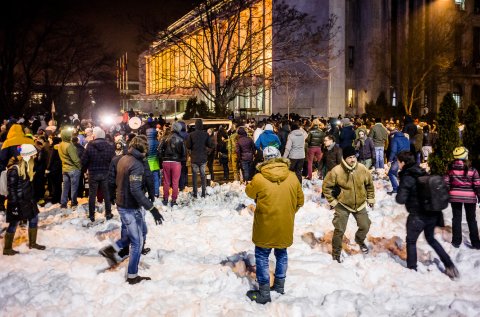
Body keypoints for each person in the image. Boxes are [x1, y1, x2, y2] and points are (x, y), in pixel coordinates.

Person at [99, 136, 164, 285]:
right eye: (146, 148)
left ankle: (111, 250)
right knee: (137, 242)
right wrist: (152, 208)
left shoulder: (123, 159)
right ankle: (132, 276)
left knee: (139, 233)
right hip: (129, 207)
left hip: (126, 204)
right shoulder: (136, 164)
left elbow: (115, 181)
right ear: (142, 149)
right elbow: (135, 190)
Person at [245, 146, 304, 304]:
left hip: (265, 224)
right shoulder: (292, 177)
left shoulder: (259, 178)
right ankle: (279, 286)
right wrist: (288, 212)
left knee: (262, 255)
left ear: (264, 159)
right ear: (279, 157)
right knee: (282, 253)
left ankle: (264, 293)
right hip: (285, 223)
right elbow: (300, 201)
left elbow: (249, 193)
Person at [395, 151, 459, 279]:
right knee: (431, 239)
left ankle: (412, 269)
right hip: (432, 214)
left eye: (398, 162)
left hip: (417, 216)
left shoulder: (407, 176)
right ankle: (450, 265)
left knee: (411, 241)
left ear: (403, 162)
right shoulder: (421, 171)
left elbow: (400, 199)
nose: (398, 164)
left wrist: (401, 188)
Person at [322, 145, 375, 263]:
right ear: (344, 158)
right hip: (343, 205)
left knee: (365, 225)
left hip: (360, 204)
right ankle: (336, 254)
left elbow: (369, 185)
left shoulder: (362, 169)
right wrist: (333, 202)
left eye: (354, 157)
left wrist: (370, 198)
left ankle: (359, 239)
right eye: (350, 157)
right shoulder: (336, 171)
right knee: (339, 230)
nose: (353, 159)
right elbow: (326, 187)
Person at [3, 144, 46, 255]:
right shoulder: (14, 169)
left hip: (28, 200)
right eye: (33, 155)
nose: (35, 157)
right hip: (17, 201)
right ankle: (7, 249)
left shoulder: (28, 167)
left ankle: (33, 243)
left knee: (34, 219)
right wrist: (14, 205)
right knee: (14, 224)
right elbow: (11, 189)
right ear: (27, 156)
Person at [444, 147, 480, 249]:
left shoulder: (450, 170)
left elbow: (445, 183)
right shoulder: (472, 170)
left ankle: (456, 241)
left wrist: (447, 193)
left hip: (455, 197)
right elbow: (478, 185)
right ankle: (475, 242)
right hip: (470, 197)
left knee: (456, 219)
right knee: (472, 219)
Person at [81, 127, 115, 221]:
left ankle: (92, 215)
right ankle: (108, 213)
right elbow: (113, 160)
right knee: (106, 194)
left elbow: (84, 160)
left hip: (93, 173)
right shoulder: (109, 146)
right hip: (105, 172)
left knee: (92, 194)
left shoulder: (89, 145)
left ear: (95, 136)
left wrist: (84, 170)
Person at [158, 122, 186, 206]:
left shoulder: (164, 138)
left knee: (166, 181)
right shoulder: (181, 139)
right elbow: (184, 153)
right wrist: (181, 161)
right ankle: (173, 200)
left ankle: (165, 199)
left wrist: (163, 158)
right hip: (176, 162)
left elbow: (159, 150)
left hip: (166, 162)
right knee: (175, 182)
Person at [186, 119, 213, 198]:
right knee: (203, 175)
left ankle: (195, 193)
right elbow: (210, 145)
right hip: (203, 158)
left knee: (194, 176)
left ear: (195, 125)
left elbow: (188, 146)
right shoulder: (205, 135)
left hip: (194, 158)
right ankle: (203, 193)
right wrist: (207, 152)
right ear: (202, 125)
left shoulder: (191, 135)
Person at [58, 128, 82, 209]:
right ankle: (73, 202)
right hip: (73, 169)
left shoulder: (60, 144)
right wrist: (80, 167)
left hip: (65, 169)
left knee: (65, 187)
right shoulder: (69, 145)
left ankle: (63, 203)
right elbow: (75, 159)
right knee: (74, 187)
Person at [387, 130, 410, 195]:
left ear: (393, 135)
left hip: (398, 158)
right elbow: (409, 149)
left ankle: (396, 189)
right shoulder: (406, 138)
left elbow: (393, 150)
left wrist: (390, 160)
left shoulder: (395, 139)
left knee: (391, 173)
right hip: (406, 158)